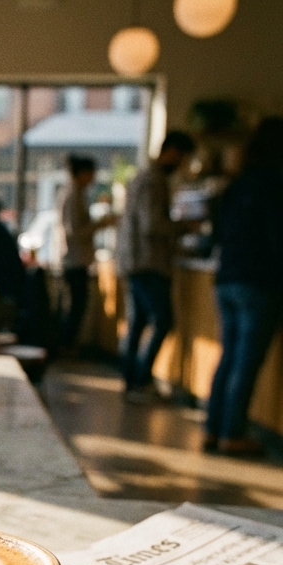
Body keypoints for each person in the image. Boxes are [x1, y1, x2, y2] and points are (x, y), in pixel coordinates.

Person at [204, 117, 283, 456]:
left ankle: (213, 429)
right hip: (259, 280)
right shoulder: (276, 185)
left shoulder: (236, 185)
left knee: (229, 357)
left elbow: (216, 235)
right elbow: (278, 239)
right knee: (245, 361)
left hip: (227, 277)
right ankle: (232, 433)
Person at [116, 129, 197, 400]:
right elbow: (152, 225)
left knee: (137, 323)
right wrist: (183, 227)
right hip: (148, 263)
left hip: (135, 261)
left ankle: (132, 383)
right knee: (162, 321)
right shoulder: (154, 181)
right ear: (173, 152)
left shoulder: (144, 177)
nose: (183, 165)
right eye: (183, 158)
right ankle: (140, 380)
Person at [60, 154, 115, 351]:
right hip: (74, 261)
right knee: (75, 309)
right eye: (91, 173)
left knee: (76, 308)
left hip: (75, 260)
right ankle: (66, 349)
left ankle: (67, 348)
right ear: (83, 173)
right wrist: (100, 224)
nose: (93, 178)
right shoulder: (73, 195)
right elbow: (75, 232)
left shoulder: (76, 193)